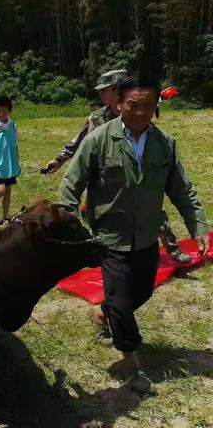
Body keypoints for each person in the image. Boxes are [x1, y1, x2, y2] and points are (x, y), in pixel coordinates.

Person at [58, 75, 210, 394]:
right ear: (118, 103)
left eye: (148, 106)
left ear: (156, 107)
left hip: (145, 237)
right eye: (133, 105)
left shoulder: (164, 144)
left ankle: (102, 312)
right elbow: (71, 185)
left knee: (141, 291)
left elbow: (182, 190)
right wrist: (69, 220)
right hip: (109, 238)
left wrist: (197, 226)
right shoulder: (99, 140)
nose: (141, 113)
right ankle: (132, 363)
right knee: (123, 302)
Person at [42, 69, 192, 264]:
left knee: (152, 211)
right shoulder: (96, 118)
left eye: (104, 90)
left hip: (140, 175)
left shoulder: (144, 118)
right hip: (108, 179)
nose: (100, 94)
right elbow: (78, 143)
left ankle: (172, 247)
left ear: (116, 90)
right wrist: (58, 160)